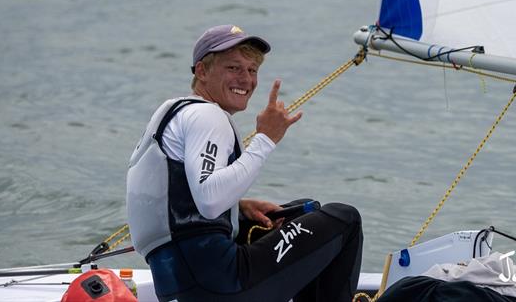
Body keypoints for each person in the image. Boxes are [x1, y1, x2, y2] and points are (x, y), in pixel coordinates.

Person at [126, 24, 363, 302]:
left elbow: (176, 201)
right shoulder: (207, 117)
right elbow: (210, 200)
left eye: (252, 70)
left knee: (298, 214)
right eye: (234, 68)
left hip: (180, 286)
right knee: (344, 219)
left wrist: (237, 208)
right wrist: (265, 140)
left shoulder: (174, 112)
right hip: (221, 284)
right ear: (202, 71)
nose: (246, 79)